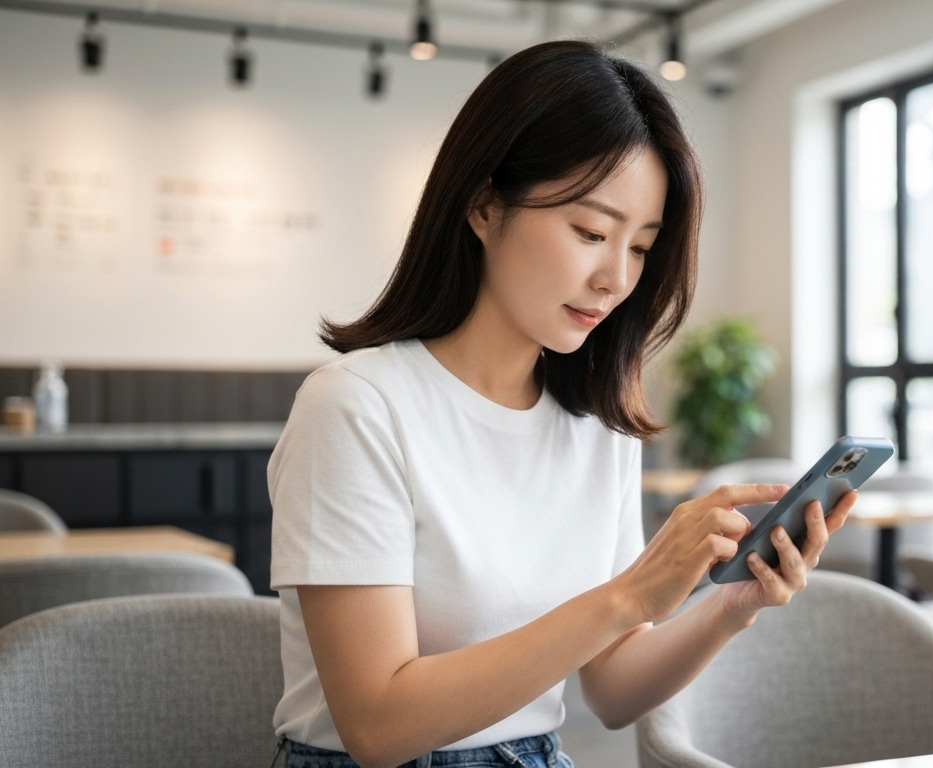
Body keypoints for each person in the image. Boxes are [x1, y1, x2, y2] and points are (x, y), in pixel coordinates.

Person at [267, 40, 858, 768]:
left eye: (641, 246)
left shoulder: (597, 428)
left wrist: (729, 609)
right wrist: (631, 594)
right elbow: (378, 725)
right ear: (485, 205)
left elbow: (610, 692)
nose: (615, 277)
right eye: (589, 232)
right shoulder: (356, 408)